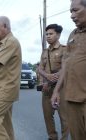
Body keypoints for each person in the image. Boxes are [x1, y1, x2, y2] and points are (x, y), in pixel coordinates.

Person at [51, 0, 86, 139]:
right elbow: (66, 64)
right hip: (72, 98)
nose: (71, 15)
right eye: (71, 11)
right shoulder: (73, 34)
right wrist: (57, 90)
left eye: (75, 10)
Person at [38, 24, 69, 140]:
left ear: (58, 35)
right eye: (46, 34)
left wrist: (54, 76)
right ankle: (52, 137)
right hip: (47, 87)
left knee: (64, 117)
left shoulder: (65, 50)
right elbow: (40, 68)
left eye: (51, 34)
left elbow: (66, 68)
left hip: (61, 88)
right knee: (47, 116)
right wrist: (47, 76)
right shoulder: (44, 52)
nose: (48, 36)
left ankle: (64, 138)